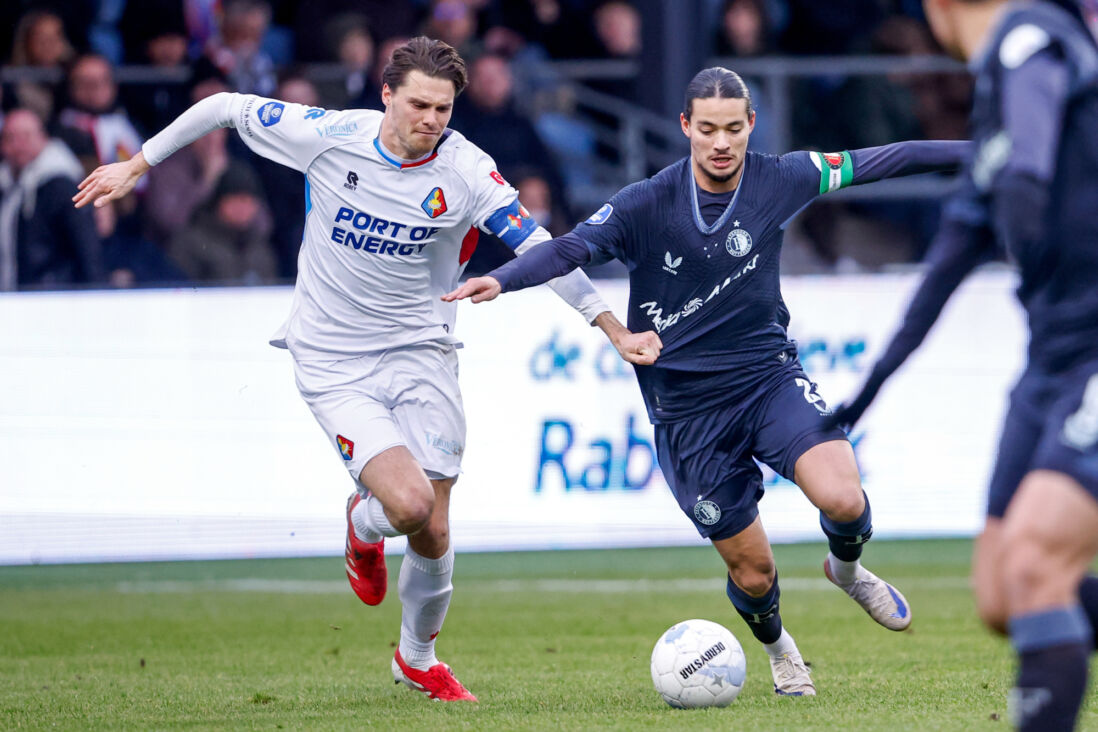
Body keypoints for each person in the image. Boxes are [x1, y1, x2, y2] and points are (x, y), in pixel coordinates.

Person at [72, 36, 659, 702]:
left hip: (421, 350)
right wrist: (137, 164)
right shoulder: (328, 136)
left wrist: (610, 327)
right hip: (334, 356)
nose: (432, 119)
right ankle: (361, 523)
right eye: (419, 104)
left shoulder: (468, 171)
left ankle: (416, 659)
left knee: (434, 526)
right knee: (407, 505)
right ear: (386, 95)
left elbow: (542, 248)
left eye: (444, 108)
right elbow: (225, 107)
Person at [445, 66, 970, 696]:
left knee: (845, 500)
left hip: (766, 379)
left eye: (733, 129)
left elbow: (888, 158)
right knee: (754, 572)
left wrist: (988, 153)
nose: (721, 143)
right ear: (687, 128)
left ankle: (848, 570)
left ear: (751, 125)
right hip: (688, 411)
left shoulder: (785, 176)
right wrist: (504, 278)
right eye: (708, 130)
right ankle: (780, 650)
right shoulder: (646, 203)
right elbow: (570, 249)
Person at [823, 1, 1098, 729]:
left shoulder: (1029, 37)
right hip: (1051, 363)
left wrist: (1028, 200)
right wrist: (866, 394)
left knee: (1039, 561)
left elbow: (1030, 168)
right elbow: (939, 278)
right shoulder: (991, 116)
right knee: (1003, 592)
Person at [0, 109, 101, 291]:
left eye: (27, 136)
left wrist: (96, 293)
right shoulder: (6, 187)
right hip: (11, 294)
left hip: (54, 296)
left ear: (43, 138)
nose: (19, 145)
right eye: (10, 138)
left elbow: (87, 247)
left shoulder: (61, 185)